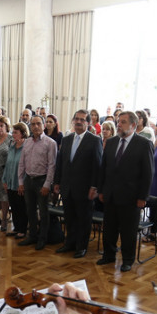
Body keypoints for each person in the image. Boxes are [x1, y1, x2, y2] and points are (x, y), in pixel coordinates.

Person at [96, 111, 154, 272]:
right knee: (109, 228)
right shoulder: (112, 142)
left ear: (133, 125)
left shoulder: (143, 144)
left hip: (132, 196)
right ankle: (109, 255)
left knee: (128, 231)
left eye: (123, 122)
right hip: (110, 194)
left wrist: (143, 197)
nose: (118, 125)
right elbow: (104, 168)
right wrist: (101, 190)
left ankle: (128, 260)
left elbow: (148, 173)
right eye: (118, 121)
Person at [54, 109, 102, 259]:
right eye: (77, 119)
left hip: (85, 188)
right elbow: (60, 162)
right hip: (67, 186)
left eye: (82, 119)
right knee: (69, 218)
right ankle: (70, 243)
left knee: (83, 219)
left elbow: (97, 166)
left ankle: (81, 247)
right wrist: (57, 182)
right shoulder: (67, 139)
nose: (79, 122)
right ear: (73, 121)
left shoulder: (94, 140)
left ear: (88, 123)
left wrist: (94, 187)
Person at [17, 115, 58, 250]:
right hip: (28, 179)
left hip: (42, 180)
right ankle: (32, 236)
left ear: (44, 125)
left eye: (38, 124)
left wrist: (47, 184)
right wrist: (20, 181)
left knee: (44, 212)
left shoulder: (50, 143)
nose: (35, 126)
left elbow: (52, 165)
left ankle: (42, 239)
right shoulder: (27, 142)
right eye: (33, 124)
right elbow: (21, 163)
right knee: (30, 210)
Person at [4, 122, 29, 239]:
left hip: (19, 183)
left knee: (21, 207)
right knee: (13, 206)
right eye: (13, 132)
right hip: (10, 182)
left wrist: (22, 183)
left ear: (22, 134)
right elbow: (8, 165)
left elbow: (27, 168)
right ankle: (17, 227)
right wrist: (4, 180)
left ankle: (23, 229)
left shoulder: (26, 148)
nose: (12, 134)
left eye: (15, 132)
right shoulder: (12, 146)